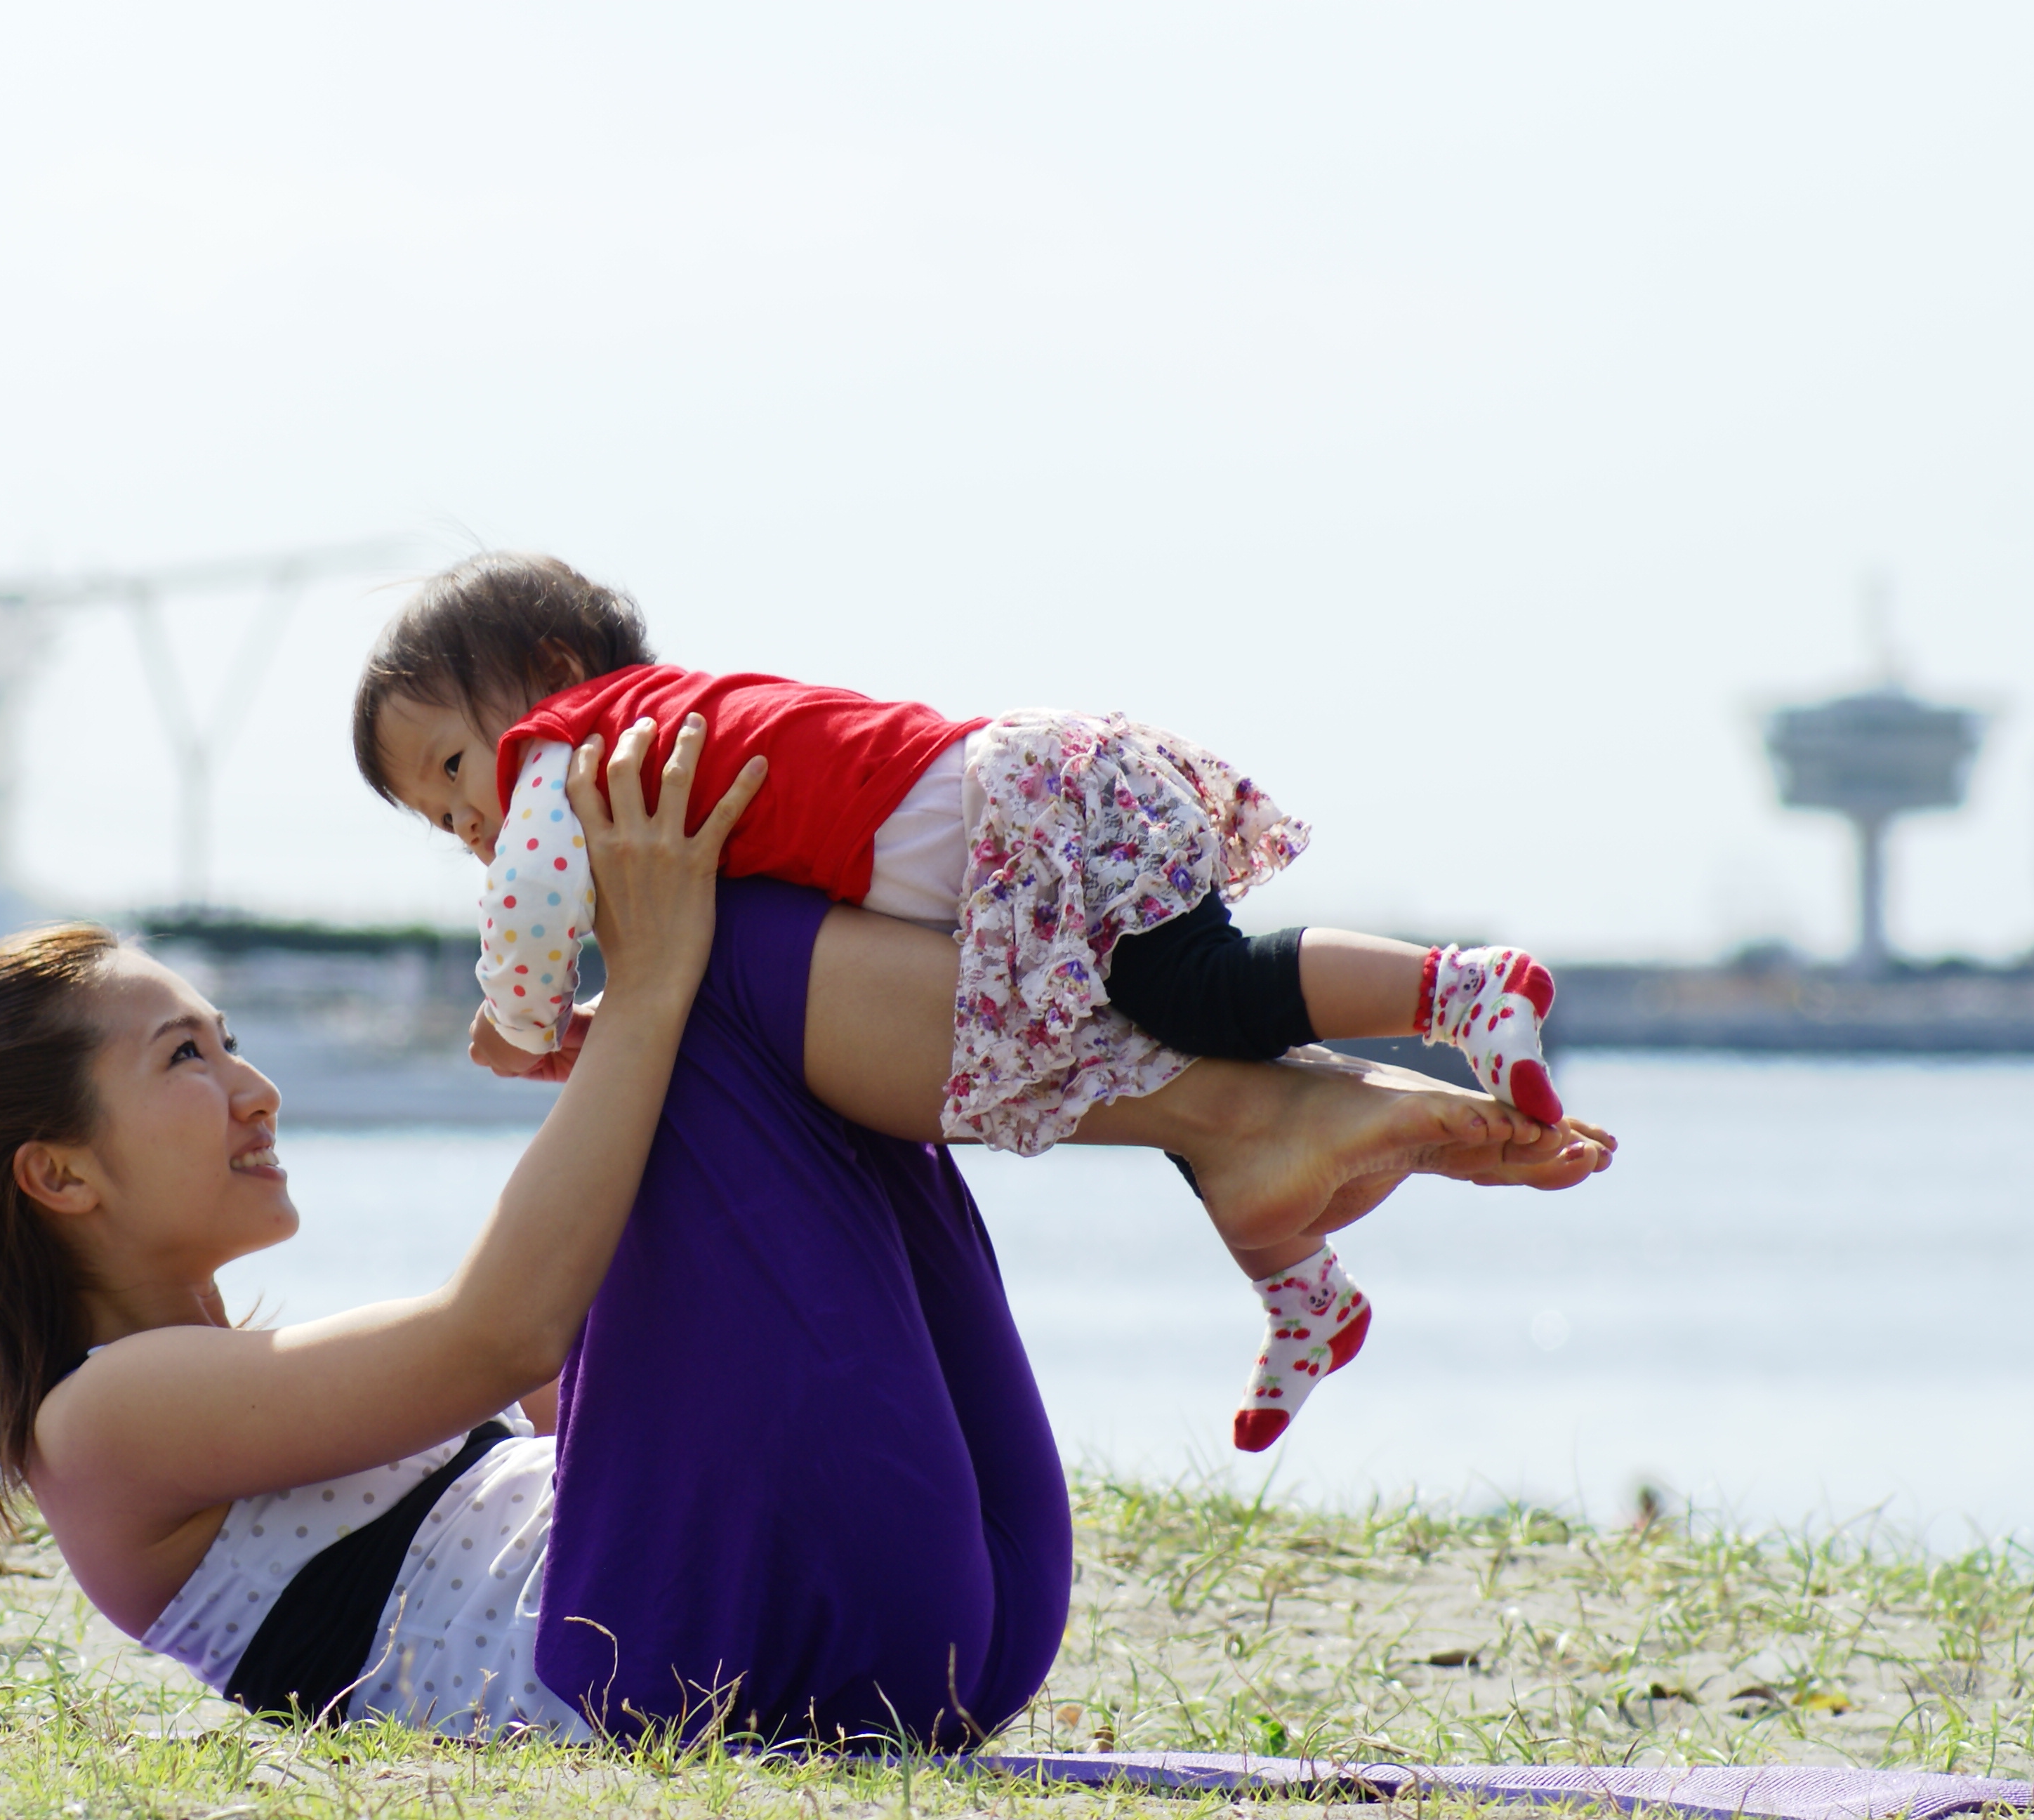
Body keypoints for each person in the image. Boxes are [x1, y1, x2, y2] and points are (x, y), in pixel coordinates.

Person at [0, 719, 1602, 1748]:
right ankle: (1241, 1118)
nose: (251, 1084)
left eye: (224, 1041)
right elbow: (506, 1335)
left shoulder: (243, 1383)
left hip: (926, 1615)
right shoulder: (99, 1425)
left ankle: (1252, 1117)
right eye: (186, 1060)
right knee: (724, 959)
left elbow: (571, 1370)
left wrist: (650, 1022)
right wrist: (648, 980)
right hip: (727, 1653)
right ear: (56, 1177)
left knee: (742, 976)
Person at [352, 552, 1612, 1449]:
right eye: (438, 818)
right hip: (1024, 828)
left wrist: (520, 1021)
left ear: (553, 672)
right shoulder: (665, 739)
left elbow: (532, 902)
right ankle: (1304, 1292)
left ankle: (1458, 988)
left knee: (1205, 992)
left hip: (1039, 802)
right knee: (1130, 1040)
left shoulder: (576, 739)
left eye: (455, 768)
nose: (470, 816)